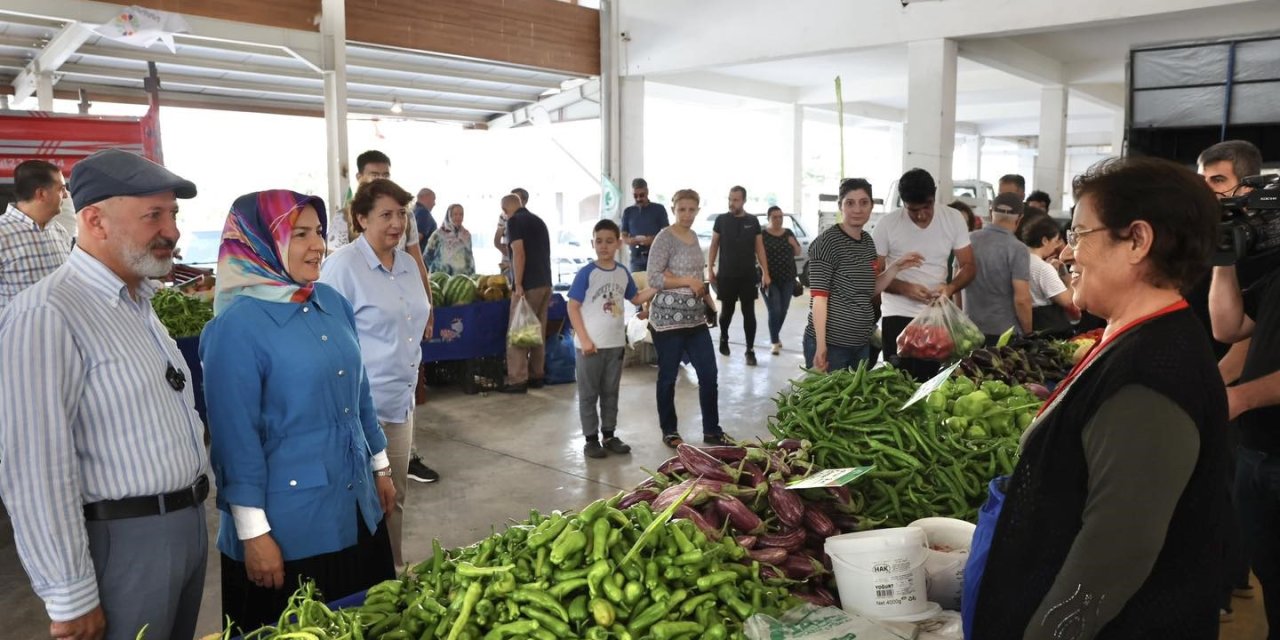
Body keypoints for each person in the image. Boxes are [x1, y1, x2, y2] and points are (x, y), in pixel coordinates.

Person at [971, 156, 1229, 639]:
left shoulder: (1150, 376)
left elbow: (1116, 552)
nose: (1067, 254)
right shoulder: (1137, 339)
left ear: (1137, 240)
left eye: (1079, 235)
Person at [0, 149, 209, 640]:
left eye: (173, 214)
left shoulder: (137, 301)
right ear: (94, 220)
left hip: (185, 525)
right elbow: (34, 468)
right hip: (125, 542)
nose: (172, 230)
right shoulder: (48, 314)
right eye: (153, 215)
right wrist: (70, 595)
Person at [202, 190, 396, 633]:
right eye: (300, 233)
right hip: (289, 530)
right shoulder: (235, 328)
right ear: (258, 243)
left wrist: (380, 466)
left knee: (369, 621)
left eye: (320, 232)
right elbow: (235, 440)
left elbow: (360, 395)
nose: (318, 245)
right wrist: (252, 533)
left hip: (355, 505)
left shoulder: (331, 303)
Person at [319, 179, 430, 571]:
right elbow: (324, 337)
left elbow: (412, 320)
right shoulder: (342, 267)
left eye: (401, 213)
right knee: (356, 501)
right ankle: (358, 582)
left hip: (399, 406)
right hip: (356, 409)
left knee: (393, 496)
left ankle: (392, 571)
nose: (396, 222)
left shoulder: (407, 265)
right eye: (386, 214)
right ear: (362, 219)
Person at [806, 178, 923, 371]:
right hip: (832, 345)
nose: (857, 209)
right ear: (840, 206)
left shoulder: (867, 242)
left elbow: (869, 290)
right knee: (832, 399)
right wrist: (821, 346)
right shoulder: (826, 244)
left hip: (861, 344)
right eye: (850, 203)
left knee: (854, 398)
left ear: (871, 207)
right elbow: (819, 299)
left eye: (863, 202)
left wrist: (895, 267)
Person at [647, 188, 732, 448]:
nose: (687, 214)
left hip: (695, 321)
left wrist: (709, 303)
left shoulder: (694, 236)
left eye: (691, 209)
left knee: (709, 374)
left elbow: (698, 277)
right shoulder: (664, 238)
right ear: (673, 209)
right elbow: (653, 278)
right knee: (668, 377)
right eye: (681, 209)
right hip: (667, 321)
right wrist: (684, 280)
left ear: (697, 209)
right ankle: (670, 430)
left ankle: (712, 430)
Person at [566, 219, 657, 459]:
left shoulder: (622, 272)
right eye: (599, 241)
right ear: (592, 243)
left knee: (610, 392)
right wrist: (584, 339)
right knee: (588, 394)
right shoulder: (587, 273)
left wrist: (656, 287)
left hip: (615, 345)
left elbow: (635, 298)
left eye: (609, 241)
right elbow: (573, 307)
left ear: (618, 243)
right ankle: (590, 439)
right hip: (590, 347)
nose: (603, 246)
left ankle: (609, 435)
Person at [873, 168, 976, 380]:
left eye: (926, 207)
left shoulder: (953, 218)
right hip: (897, 315)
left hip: (937, 316)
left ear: (934, 195)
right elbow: (872, 277)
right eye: (913, 210)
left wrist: (950, 288)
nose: (921, 214)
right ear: (902, 202)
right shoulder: (887, 225)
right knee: (898, 382)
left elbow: (968, 266)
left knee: (933, 382)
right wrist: (904, 288)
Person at [708, 185, 771, 366]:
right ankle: (724, 337)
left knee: (748, 313)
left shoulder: (752, 221)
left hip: (747, 276)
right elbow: (714, 244)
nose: (731, 203)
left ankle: (750, 350)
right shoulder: (721, 220)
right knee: (726, 312)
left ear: (743, 201)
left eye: (735, 200)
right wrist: (710, 268)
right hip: (726, 275)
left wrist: (765, 272)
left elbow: (760, 248)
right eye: (729, 199)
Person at [1, 159, 73, 313]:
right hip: (17, 336)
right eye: (61, 189)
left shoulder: (59, 232)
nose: (66, 196)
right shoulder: (2, 234)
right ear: (41, 194)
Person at [501, 193, 552, 393]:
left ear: (505, 210)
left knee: (519, 331)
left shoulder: (513, 222)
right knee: (537, 331)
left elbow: (519, 253)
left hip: (528, 284)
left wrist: (518, 283)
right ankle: (536, 375)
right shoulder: (539, 221)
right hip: (545, 282)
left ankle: (517, 379)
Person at [966, 192, 1032, 342]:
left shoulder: (968, 240)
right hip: (1005, 334)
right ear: (1020, 218)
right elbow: (1022, 299)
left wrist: (963, 319)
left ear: (990, 212)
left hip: (970, 331)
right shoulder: (1017, 248)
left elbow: (958, 283)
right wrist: (1029, 334)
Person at [1020, 215, 1077, 337]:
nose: (1056, 246)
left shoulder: (1020, 260)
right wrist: (1069, 280)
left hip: (1026, 319)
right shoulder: (1043, 268)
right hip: (1047, 326)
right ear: (1045, 240)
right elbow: (1067, 301)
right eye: (1055, 241)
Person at [761, 206, 801, 355]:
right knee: (774, 310)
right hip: (770, 279)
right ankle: (774, 342)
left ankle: (775, 335)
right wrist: (764, 274)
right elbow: (757, 255)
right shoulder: (762, 234)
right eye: (774, 217)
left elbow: (797, 252)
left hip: (788, 278)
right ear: (768, 218)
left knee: (783, 310)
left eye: (780, 217)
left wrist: (793, 243)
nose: (778, 220)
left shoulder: (788, 233)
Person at [620, 177, 670, 273]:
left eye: (641, 195)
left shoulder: (659, 209)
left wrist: (653, 240)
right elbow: (623, 235)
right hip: (636, 258)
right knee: (637, 285)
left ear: (647, 192)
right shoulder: (628, 212)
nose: (639, 198)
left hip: (657, 256)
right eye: (635, 196)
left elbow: (666, 233)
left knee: (657, 286)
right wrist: (630, 240)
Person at [424, 203, 476, 276]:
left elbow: (470, 257)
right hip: (441, 277)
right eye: (455, 214)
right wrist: (436, 269)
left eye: (461, 214)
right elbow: (427, 255)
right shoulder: (438, 234)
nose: (458, 217)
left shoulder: (467, 235)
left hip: (463, 277)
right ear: (449, 216)